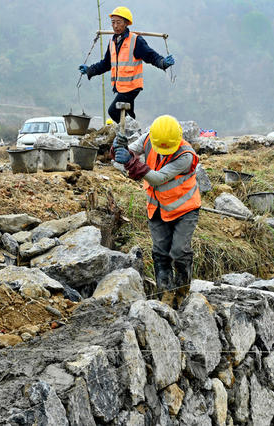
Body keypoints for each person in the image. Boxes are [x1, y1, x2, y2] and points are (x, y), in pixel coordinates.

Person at [112, 115, 201, 307]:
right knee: (160, 252)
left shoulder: (186, 155)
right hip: (158, 208)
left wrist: (131, 162)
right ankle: (166, 295)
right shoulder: (148, 138)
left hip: (184, 210)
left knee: (179, 251)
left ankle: (183, 290)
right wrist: (118, 148)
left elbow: (158, 178)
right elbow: (127, 154)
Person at [78, 6, 175, 124]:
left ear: (126, 23)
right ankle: (132, 137)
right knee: (128, 115)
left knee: (113, 111)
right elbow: (106, 64)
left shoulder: (136, 40)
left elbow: (150, 56)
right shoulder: (112, 42)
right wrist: (89, 70)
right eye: (113, 22)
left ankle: (129, 133)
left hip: (132, 86)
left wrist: (163, 62)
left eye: (118, 22)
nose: (115, 26)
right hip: (121, 87)